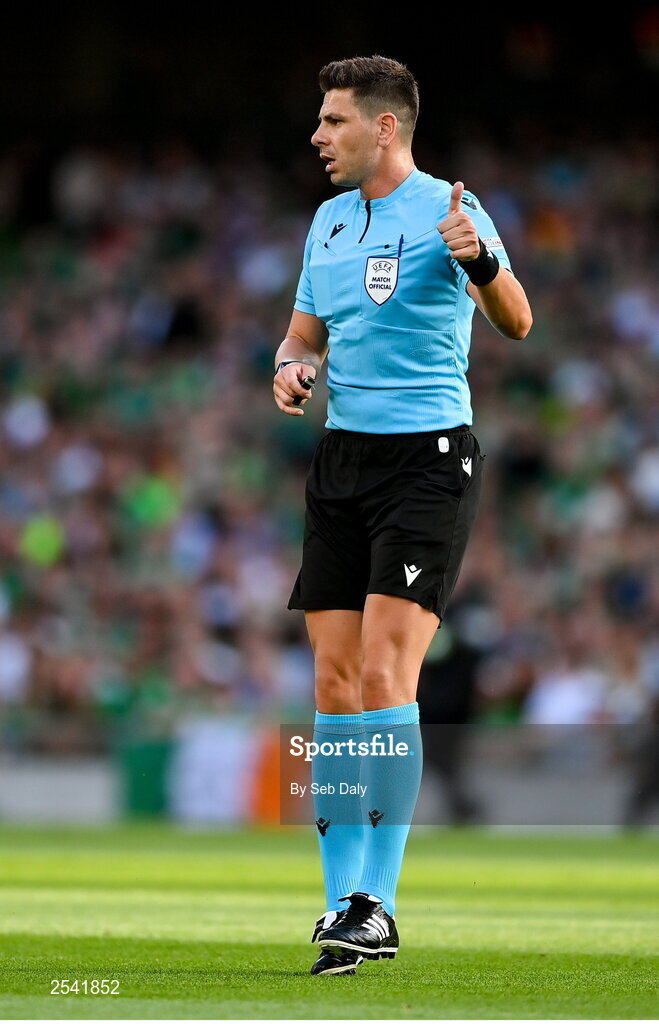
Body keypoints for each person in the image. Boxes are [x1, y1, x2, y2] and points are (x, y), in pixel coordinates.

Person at [273, 55, 532, 977]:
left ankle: (377, 901)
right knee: (335, 682)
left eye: (333, 120)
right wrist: (289, 366)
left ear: (385, 127)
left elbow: (516, 319)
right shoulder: (327, 222)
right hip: (342, 460)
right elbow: (304, 332)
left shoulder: (452, 208)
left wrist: (482, 259)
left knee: (386, 668)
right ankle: (341, 901)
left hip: (428, 461)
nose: (317, 135)